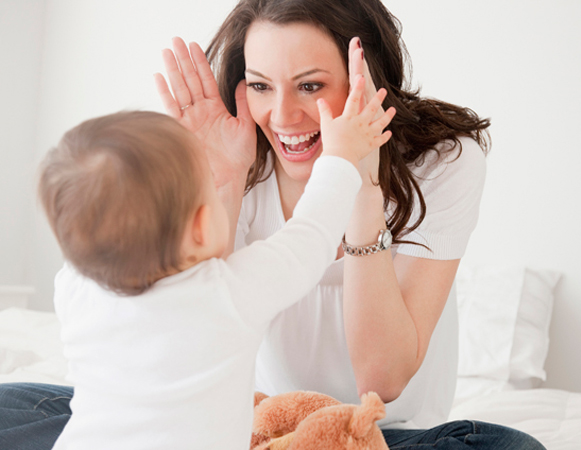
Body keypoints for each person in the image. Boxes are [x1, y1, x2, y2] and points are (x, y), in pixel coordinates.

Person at [0, 1, 546, 449]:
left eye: (310, 86)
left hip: (386, 433)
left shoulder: (446, 161)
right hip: (249, 424)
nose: (281, 117)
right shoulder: (232, 154)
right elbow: (193, 311)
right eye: (259, 86)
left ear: (366, 80)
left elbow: (381, 382)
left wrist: (360, 180)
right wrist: (225, 175)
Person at [6, 77, 393, 449]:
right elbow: (311, 236)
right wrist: (341, 154)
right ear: (203, 226)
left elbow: (88, 224)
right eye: (208, 184)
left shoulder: (74, 289)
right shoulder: (228, 295)